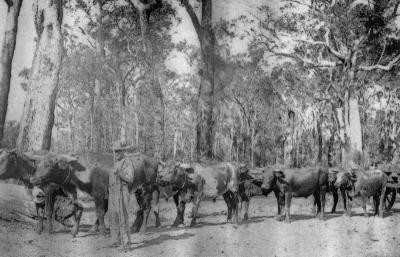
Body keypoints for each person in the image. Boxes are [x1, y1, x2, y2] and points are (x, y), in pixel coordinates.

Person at [108, 142, 134, 248]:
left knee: (123, 218)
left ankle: (126, 242)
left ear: (123, 151)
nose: (117, 153)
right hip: (113, 193)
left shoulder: (127, 162)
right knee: (113, 217)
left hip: (122, 192)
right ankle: (115, 240)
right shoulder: (116, 162)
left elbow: (130, 178)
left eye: (119, 151)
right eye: (115, 151)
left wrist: (120, 174)